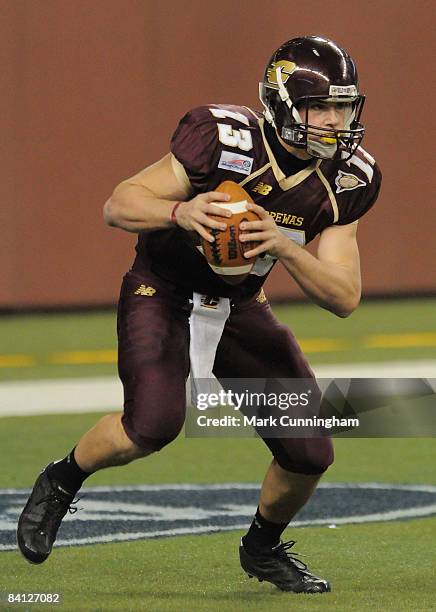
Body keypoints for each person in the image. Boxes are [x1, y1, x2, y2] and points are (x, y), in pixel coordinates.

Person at [17, 35, 381, 594]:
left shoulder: (347, 179)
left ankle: (262, 548)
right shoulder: (224, 138)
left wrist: (284, 247)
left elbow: (344, 295)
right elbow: (119, 204)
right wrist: (179, 210)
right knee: (151, 427)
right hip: (162, 289)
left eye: (343, 106)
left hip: (240, 304)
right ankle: (60, 480)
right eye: (321, 106)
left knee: (309, 450)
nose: (336, 120)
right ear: (284, 104)